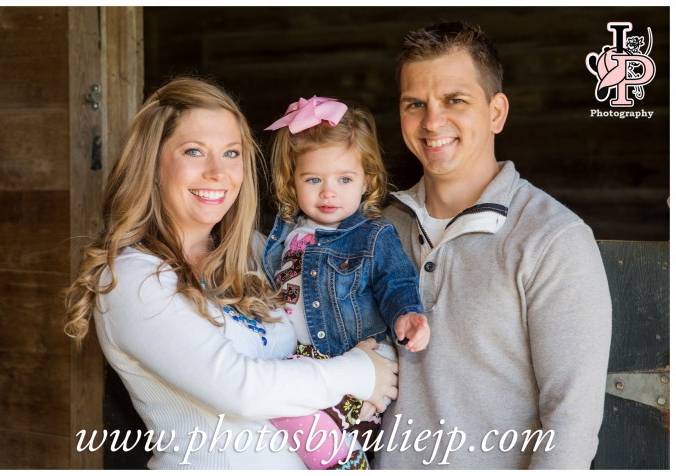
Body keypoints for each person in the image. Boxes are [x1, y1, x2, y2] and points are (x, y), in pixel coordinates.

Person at [63, 77, 399, 470]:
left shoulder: (258, 253)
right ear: (152, 165)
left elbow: (349, 312)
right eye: (193, 151)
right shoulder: (130, 277)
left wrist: (378, 359)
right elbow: (241, 390)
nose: (217, 172)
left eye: (231, 153)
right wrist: (359, 373)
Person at [374, 22, 612, 469]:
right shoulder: (380, 231)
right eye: (414, 104)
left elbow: (572, 422)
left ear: (496, 112)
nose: (431, 122)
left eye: (454, 100)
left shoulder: (553, 240)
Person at [261, 96, 430, 469]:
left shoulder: (371, 235)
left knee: (281, 411)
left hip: (356, 364)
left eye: (344, 179)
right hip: (303, 364)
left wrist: (407, 313)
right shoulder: (282, 236)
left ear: (367, 180)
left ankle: (349, 463)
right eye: (313, 179)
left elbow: (395, 280)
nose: (328, 192)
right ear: (292, 180)